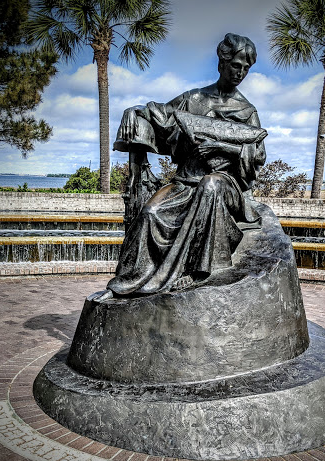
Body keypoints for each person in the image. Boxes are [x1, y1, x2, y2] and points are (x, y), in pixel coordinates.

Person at [104, 33, 266, 297]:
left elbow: (256, 157)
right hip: (185, 182)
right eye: (236, 65)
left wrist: (221, 147)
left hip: (225, 185)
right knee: (150, 213)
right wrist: (135, 111)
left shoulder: (248, 111)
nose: (241, 72)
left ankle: (198, 271)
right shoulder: (193, 100)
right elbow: (162, 116)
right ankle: (134, 280)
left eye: (246, 68)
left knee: (209, 185)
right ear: (222, 63)